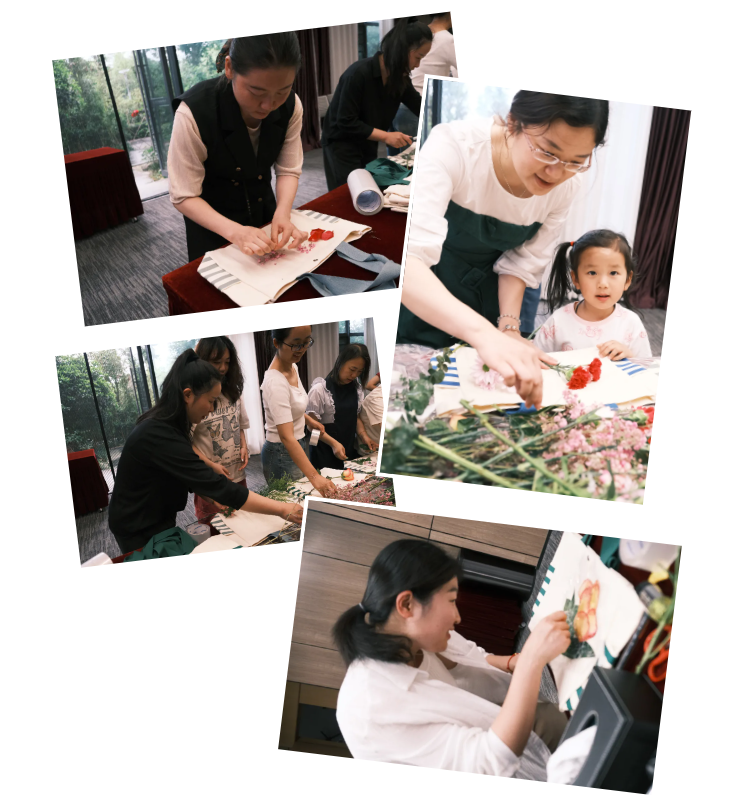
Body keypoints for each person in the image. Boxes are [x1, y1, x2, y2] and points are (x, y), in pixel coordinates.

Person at [397, 91, 610, 408]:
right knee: (420, 395)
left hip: (493, 298)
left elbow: (521, 262)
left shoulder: (567, 185)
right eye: (547, 152)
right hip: (427, 290)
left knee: (484, 398)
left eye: (576, 162)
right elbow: (410, 259)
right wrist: (485, 335)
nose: (556, 173)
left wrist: (508, 328)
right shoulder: (455, 147)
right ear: (513, 123)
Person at [333, 539, 571, 777]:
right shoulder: (371, 709)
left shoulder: (410, 637)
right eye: (451, 601)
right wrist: (531, 661)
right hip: (501, 766)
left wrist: (510, 662)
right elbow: (490, 762)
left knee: (555, 717)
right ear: (407, 604)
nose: (457, 617)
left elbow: (470, 659)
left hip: (492, 720)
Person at [108, 350, 302, 555]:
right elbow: (218, 485)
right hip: (137, 524)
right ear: (188, 395)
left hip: (157, 513)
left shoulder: (170, 424)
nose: (211, 409)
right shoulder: (158, 433)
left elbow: (182, 471)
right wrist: (282, 509)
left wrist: (210, 496)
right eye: (211, 401)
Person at [168, 34, 308, 261]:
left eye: (282, 91)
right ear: (229, 67)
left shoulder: (292, 105)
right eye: (257, 92)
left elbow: (288, 169)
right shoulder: (194, 112)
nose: (269, 105)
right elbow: (183, 195)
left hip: (264, 212)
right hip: (212, 225)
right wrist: (235, 232)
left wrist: (282, 213)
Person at [321, 20, 433, 191]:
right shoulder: (357, 74)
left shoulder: (399, 78)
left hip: (368, 141)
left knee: (370, 191)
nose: (417, 65)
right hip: (341, 144)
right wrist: (386, 136)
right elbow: (345, 121)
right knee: (346, 193)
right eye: (418, 57)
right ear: (402, 50)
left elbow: (420, 106)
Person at [533, 229, 652, 359]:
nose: (603, 284)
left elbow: (646, 366)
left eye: (613, 273)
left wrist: (629, 356)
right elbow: (536, 360)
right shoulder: (558, 321)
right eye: (592, 273)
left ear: (627, 280)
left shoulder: (631, 323)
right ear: (576, 279)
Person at [260, 327, 337, 497]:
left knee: (300, 498)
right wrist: (315, 477)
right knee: (292, 503)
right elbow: (286, 437)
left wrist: (309, 421)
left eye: (306, 342)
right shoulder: (275, 382)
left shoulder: (292, 366)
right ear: (276, 343)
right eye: (296, 344)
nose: (301, 349)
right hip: (281, 451)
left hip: (297, 444)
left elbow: (291, 408)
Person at [190, 336, 250, 526]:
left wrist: (244, 445)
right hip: (211, 482)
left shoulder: (233, 391)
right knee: (216, 530)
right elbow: (185, 444)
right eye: (217, 362)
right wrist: (210, 465)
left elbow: (239, 425)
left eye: (227, 362)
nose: (223, 368)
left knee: (243, 526)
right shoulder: (195, 398)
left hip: (236, 476)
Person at [307, 344, 377, 471]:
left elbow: (355, 417)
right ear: (340, 362)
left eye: (359, 372)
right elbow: (312, 427)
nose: (354, 375)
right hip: (323, 450)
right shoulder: (319, 390)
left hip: (346, 447)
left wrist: (364, 436)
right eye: (352, 369)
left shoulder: (357, 389)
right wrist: (333, 443)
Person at [390, 13, 458, 142]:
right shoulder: (448, 40)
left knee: (401, 155)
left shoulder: (418, 35)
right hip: (417, 107)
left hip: (398, 107)